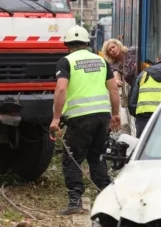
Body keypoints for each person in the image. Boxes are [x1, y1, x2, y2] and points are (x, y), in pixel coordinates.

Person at [49, 25, 121, 215]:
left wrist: (56, 118)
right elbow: (114, 89)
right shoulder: (101, 61)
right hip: (102, 117)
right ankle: (109, 200)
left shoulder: (65, 62)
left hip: (80, 118)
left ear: (67, 45)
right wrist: (115, 114)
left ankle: (75, 202)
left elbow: (61, 89)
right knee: (96, 158)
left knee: (71, 160)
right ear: (87, 43)